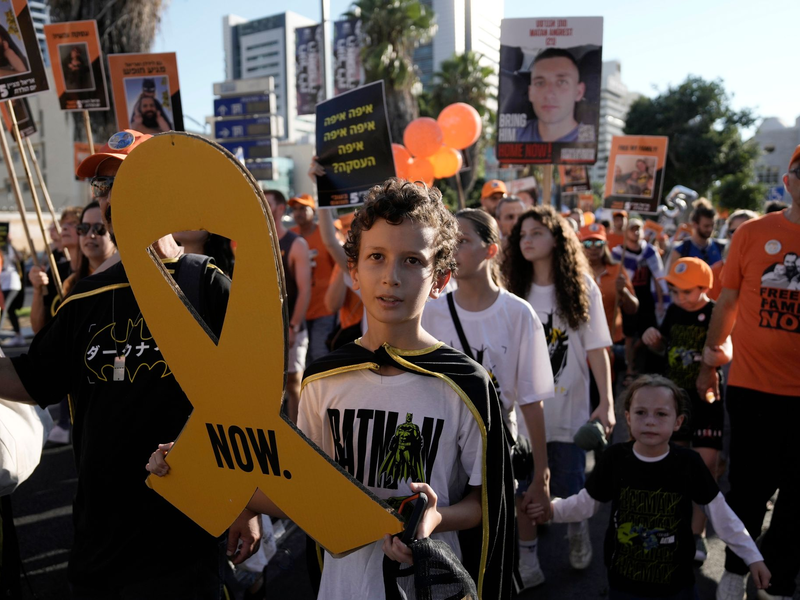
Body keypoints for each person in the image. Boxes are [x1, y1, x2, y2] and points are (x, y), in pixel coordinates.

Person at [150, 179, 516, 599]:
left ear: (440, 279)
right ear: (353, 271)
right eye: (376, 257)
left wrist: (435, 518)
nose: (391, 277)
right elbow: (303, 491)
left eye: (413, 261)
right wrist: (196, 466)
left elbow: (485, 502)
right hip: (344, 586)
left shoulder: (465, 385)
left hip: (429, 585)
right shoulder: (324, 378)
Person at [0, 130, 260, 598]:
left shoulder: (207, 284)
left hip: (187, 538)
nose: (109, 198)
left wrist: (247, 502)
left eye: (124, 181)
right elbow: (30, 378)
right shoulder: (86, 298)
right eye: (102, 187)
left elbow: (252, 404)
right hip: (101, 542)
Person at [527, 375, 771, 600]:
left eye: (661, 414)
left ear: (678, 422)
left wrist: (752, 556)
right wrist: (552, 510)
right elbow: (586, 504)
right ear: (628, 417)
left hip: (678, 587)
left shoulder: (689, 464)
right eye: (641, 412)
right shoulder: (615, 459)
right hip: (624, 585)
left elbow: (722, 515)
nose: (650, 421)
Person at [421, 208, 554, 590]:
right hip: (439, 450)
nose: (452, 249)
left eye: (463, 241)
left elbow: (531, 401)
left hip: (494, 446)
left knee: (491, 549)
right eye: (447, 241)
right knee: (444, 549)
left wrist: (541, 475)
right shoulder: (429, 310)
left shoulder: (519, 314)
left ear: (491, 250)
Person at [702, 145, 800, 600]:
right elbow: (726, 302)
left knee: (797, 498)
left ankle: (776, 578)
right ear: (787, 181)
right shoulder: (753, 233)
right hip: (752, 386)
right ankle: (736, 568)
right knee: (748, 489)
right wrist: (708, 363)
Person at [502, 205, 615, 573]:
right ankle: (528, 558)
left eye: (536, 232)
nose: (527, 240)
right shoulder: (509, 288)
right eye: (522, 235)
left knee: (570, 484)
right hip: (523, 415)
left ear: (557, 239)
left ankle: (577, 531)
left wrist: (607, 402)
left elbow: (597, 348)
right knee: (524, 489)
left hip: (570, 411)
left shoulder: (582, 286)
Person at [642, 257, 730, 562]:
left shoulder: (716, 311)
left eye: (687, 291)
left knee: (706, 467)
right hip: (675, 402)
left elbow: (728, 347)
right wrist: (653, 340)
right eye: (675, 291)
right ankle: (675, 528)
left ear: (704, 287)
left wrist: (718, 357)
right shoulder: (674, 311)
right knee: (675, 466)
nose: (680, 297)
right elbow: (662, 347)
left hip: (707, 401)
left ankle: (697, 533)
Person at [264, 189, 311, 423]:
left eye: (267, 203)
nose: (262, 207)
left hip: (290, 327)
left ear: (281, 208)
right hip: (263, 328)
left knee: (293, 384)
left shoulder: (296, 243)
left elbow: (305, 290)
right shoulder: (253, 242)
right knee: (266, 386)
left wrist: (293, 326)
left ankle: (297, 434)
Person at [612, 217, 666, 383]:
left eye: (638, 229)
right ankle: (629, 369)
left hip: (646, 300)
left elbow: (658, 277)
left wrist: (661, 301)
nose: (636, 232)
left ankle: (641, 364)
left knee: (648, 333)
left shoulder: (650, 252)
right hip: (628, 300)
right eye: (632, 229)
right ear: (625, 232)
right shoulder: (618, 253)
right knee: (628, 335)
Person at [289, 193, 337, 365]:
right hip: (298, 310)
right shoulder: (290, 236)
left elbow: (338, 268)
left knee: (319, 353)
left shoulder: (326, 235)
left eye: (303, 208)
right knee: (301, 358)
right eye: (295, 209)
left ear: (313, 211)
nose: (298, 213)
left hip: (324, 307)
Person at [517, 48, 595, 144]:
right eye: (540, 83)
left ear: (578, 92)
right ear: (531, 93)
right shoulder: (512, 136)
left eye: (562, 82)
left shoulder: (592, 143)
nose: (549, 95)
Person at [580, 223, 638, 346]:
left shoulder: (617, 269)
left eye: (598, 243)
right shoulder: (575, 272)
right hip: (582, 341)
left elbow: (633, 309)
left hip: (613, 341)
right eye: (588, 244)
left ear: (605, 245)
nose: (593, 248)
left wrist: (624, 292)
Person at [708, 209, 758, 301]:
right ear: (728, 235)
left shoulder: (769, 270)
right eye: (734, 231)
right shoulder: (717, 271)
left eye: (746, 231)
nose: (739, 236)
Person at [666, 198, 723, 270]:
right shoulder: (681, 249)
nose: (710, 229)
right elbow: (671, 275)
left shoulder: (720, 247)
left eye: (712, 225)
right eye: (706, 226)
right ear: (695, 224)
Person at [0, 239, 24, 347]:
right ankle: (19, 336)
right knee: (10, 310)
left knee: (3, 307)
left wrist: (10, 243)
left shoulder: (8, 248)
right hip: (3, 284)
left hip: (12, 284)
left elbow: (19, 258)